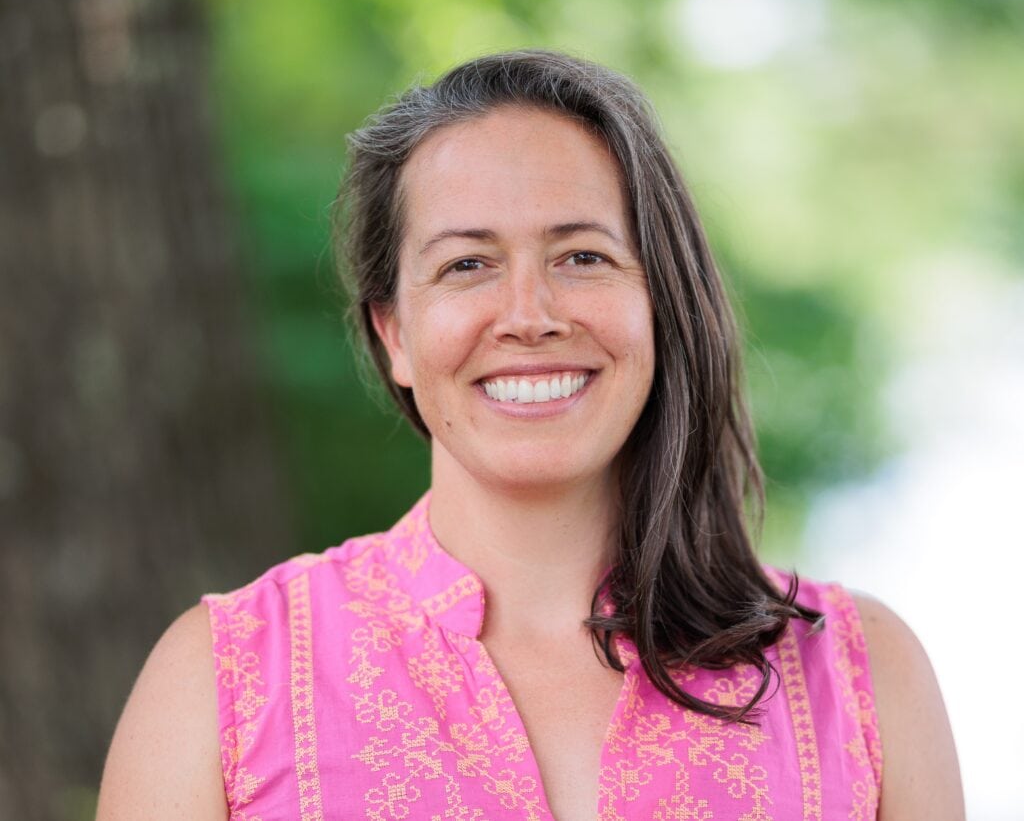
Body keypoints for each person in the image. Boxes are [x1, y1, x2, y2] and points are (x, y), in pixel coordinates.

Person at [96, 50, 963, 821]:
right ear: (394, 333)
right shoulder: (220, 685)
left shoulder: (858, 674)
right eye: (466, 264)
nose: (529, 316)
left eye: (581, 256)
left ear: (659, 299)